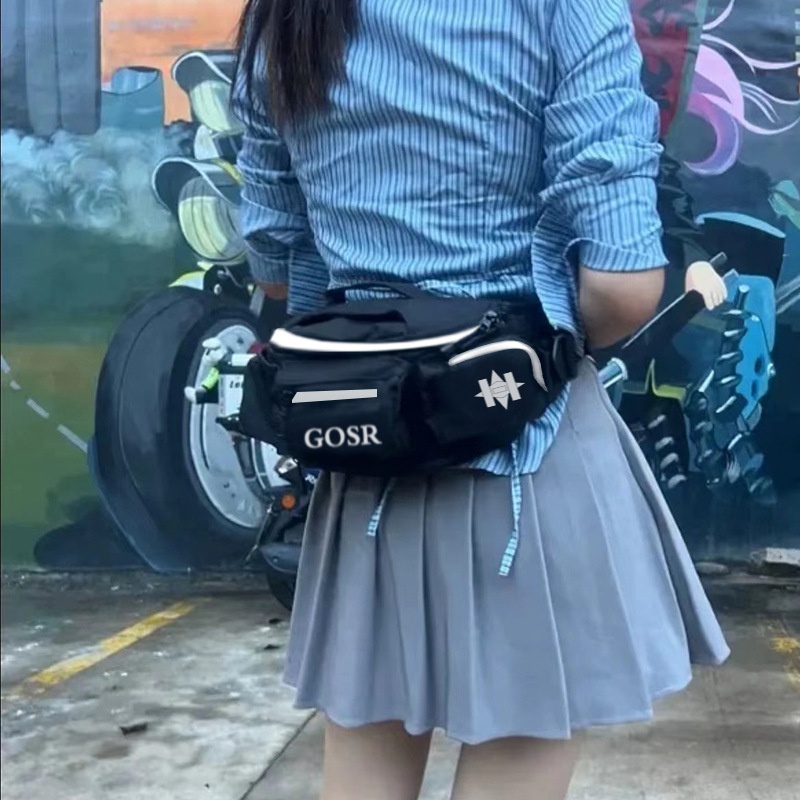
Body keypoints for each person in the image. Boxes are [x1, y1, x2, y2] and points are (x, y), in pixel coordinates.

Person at [230, 1, 731, 798]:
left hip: (363, 446)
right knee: (521, 740)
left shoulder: (282, 13)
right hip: (527, 446)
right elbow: (623, 287)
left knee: (367, 743)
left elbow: (279, 268)